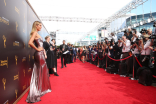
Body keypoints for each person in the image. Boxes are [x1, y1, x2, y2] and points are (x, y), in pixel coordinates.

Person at [26, 21, 51, 103]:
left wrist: (43, 51)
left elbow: (41, 45)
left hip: (41, 54)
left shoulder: (36, 33)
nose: (41, 27)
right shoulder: (34, 33)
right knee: (38, 72)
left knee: (41, 71)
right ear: (36, 26)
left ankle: (39, 89)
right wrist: (37, 49)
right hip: (39, 55)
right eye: (40, 25)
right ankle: (36, 91)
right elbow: (30, 42)